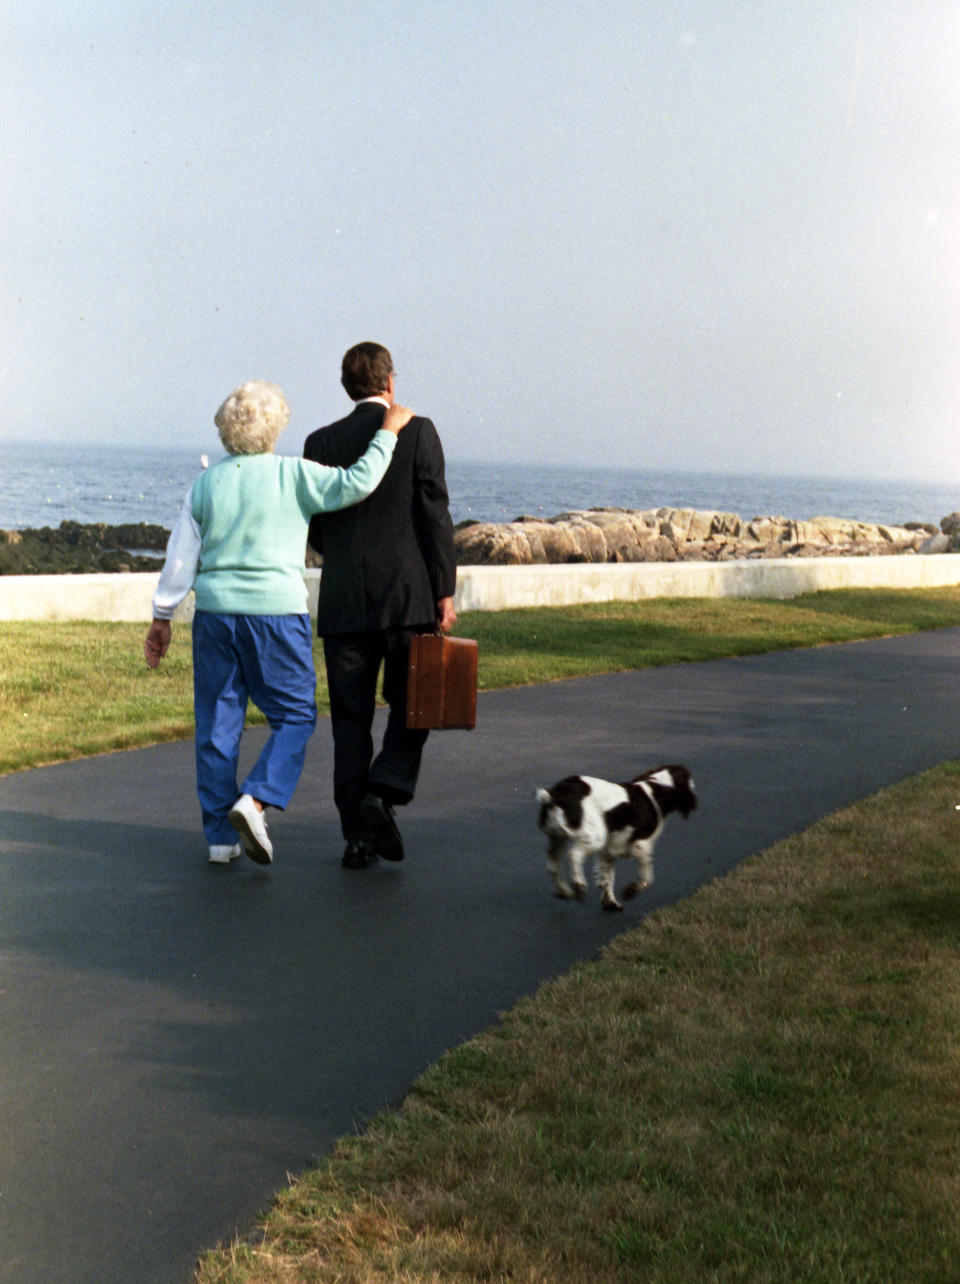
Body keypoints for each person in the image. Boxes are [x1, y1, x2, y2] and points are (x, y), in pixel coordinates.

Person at [144, 378, 411, 866]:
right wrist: (388, 433)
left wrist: (162, 616)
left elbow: (180, 560)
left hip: (216, 616)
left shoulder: (206, 484)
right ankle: (257, 798)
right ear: (276, 427)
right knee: (295, 715)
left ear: (226, 430)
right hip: (275, 614)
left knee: (217, 725)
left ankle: (219, 840)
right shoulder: (295, 475)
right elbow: (356, 482)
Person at [303, 342, 457, 869]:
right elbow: (434, 515)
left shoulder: (319, 441)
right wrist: (444, 590)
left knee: (350, 721)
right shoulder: (418, 431)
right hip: (408, 599)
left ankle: (357, 837)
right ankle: (384, 789)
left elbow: (317, 529)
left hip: (344, 602)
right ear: (390, 382)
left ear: (348, 387)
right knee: (417, 707)